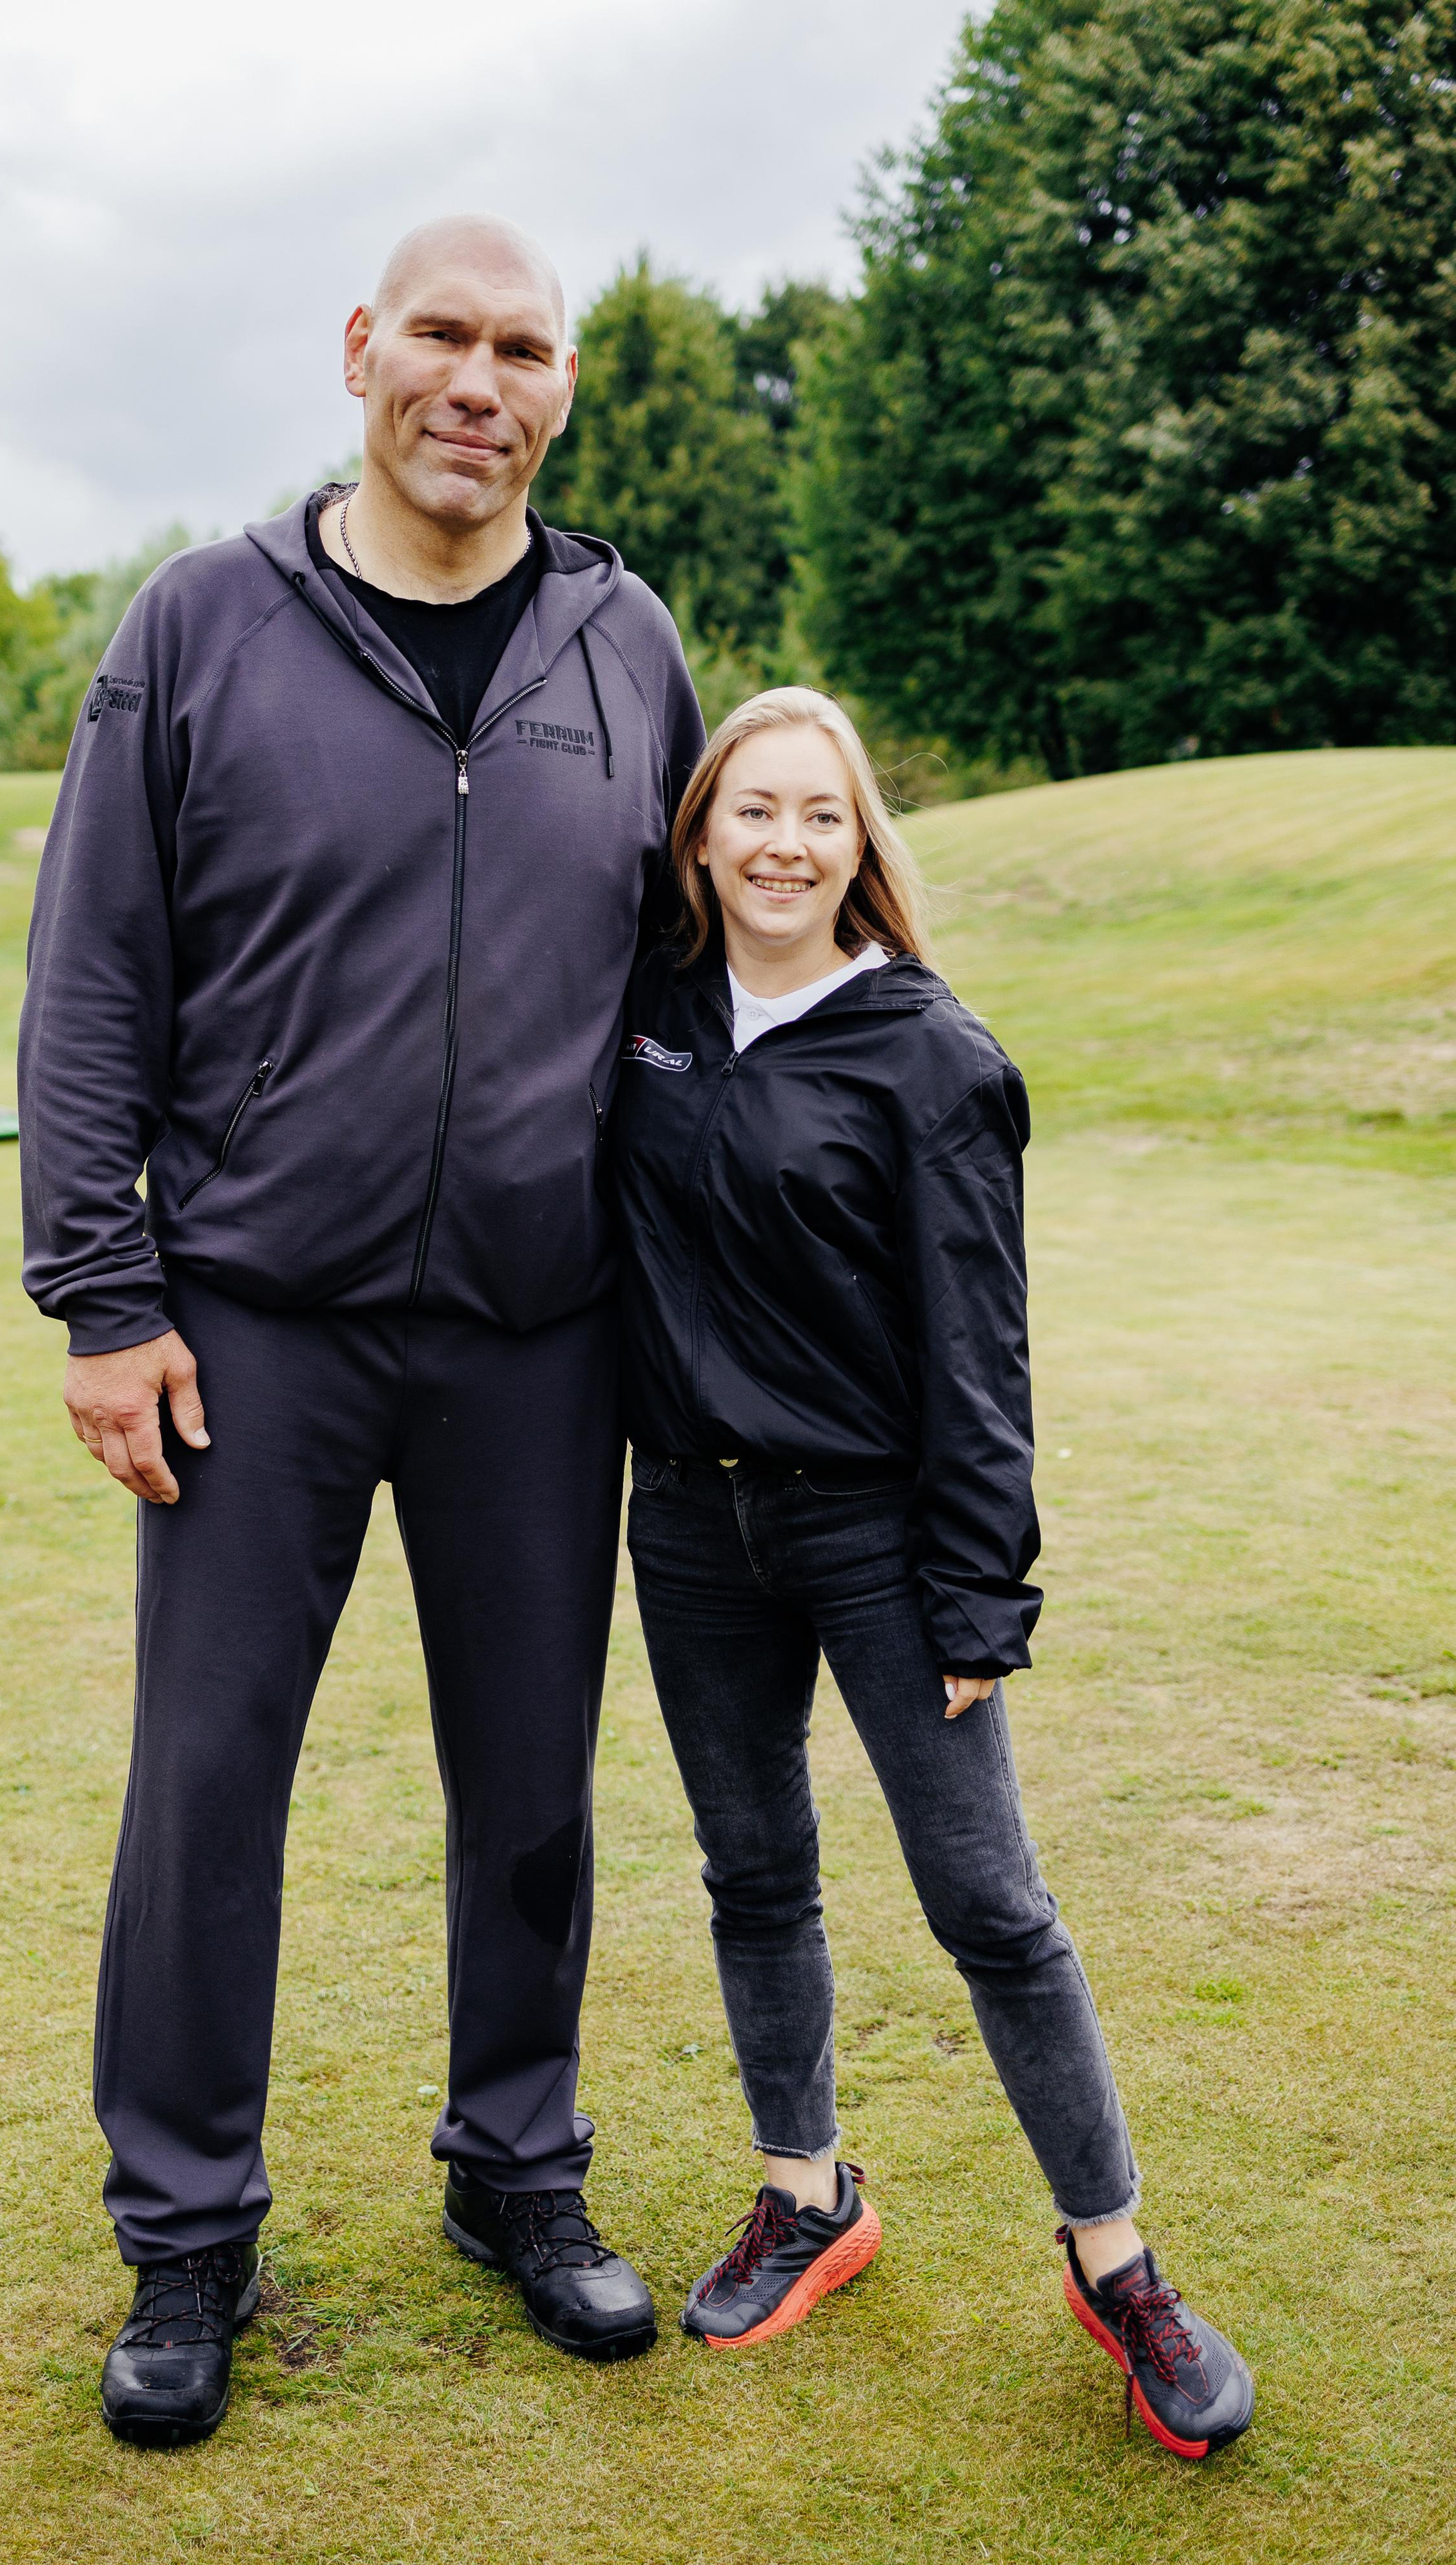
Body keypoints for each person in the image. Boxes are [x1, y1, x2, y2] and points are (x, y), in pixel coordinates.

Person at [18, 214, 704, 2445]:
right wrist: (103, 1300)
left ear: (564, 386)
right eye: (442, 336)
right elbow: (93, 978)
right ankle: (187, 2238)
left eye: (523, 349)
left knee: (532, 1784)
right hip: (254, 1328)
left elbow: (687, 1004)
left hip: (541, 1337)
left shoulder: (628, 643)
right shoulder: (202, 626)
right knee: (209, 1783)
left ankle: (521, 2174)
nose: (477, 383)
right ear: (358, 350)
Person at [609, 689, 1254, 2459]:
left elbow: (983, 1349)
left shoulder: (930, 1054)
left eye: (820, 814)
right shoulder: (650, 1018)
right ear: (701, 834)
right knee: (755, 1871)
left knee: (989, 1905)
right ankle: (808, 2198)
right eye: (752, 812)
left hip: (882, 1533)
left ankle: (1117, 2264)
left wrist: (981, 1591)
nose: (785, 844)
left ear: (861, 843)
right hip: (688, 1520)